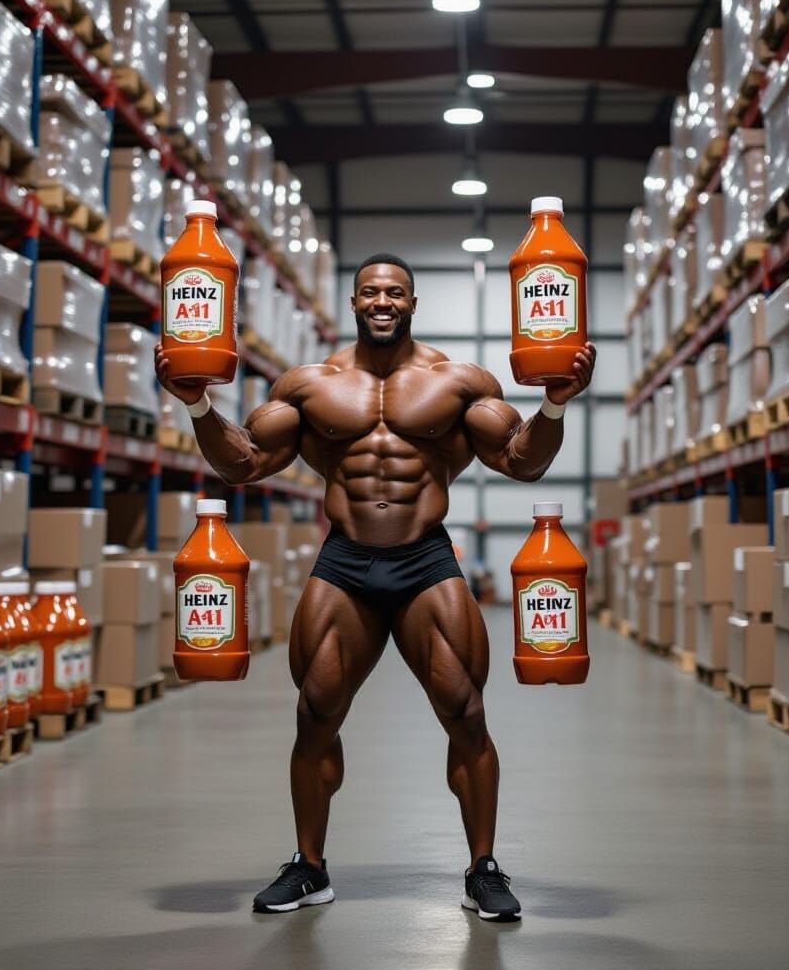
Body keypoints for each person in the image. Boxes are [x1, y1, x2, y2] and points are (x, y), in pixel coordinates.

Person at [155, 253, 596, 921]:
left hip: (425, 562)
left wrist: (555, 404)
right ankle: (309, 867)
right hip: (346, 565)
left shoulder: (455, 383)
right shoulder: (310, 385)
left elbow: (519, 461)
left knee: (466, 712)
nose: (382, 301)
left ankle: (484, 869)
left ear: (412, 302)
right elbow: (242, 463)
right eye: (370, 292)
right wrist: (196, 403)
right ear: (355, 302)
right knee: (316, 712)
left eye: (394, 292)